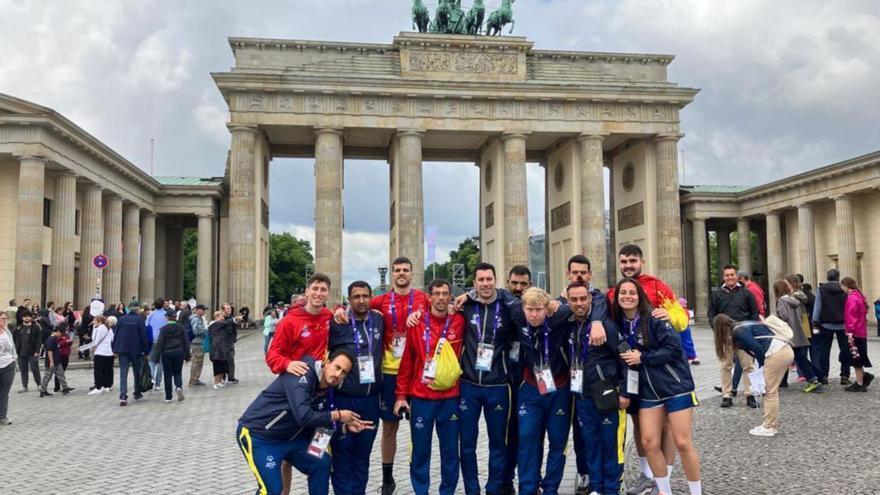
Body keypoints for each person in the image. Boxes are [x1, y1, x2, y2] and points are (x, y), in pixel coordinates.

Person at [334, 256, 429, 495]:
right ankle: (388, 478)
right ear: (392, 274)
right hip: (388, 373)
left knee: (421, 426)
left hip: (418, 371)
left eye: (405, 270)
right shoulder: (382, 300)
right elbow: (356, 305)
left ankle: (418, 473)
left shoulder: (423, 299)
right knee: (389, 427)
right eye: (397, 270)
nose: (401, 273)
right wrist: (338, 309)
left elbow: (444, 306)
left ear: (412, 273)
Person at [607, 244, 690, 495]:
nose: (628, 265)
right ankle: (646, 476)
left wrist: (670, 314)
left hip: (659, 368)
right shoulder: (614, 293)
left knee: (664, 426)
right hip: (631, 370)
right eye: (624, 262)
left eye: (632, 260)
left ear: (641, 261)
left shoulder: (657, 286)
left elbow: (682, 319)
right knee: (639, 425)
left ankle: (663, 479)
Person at [236, 351, 373, 495]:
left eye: (344, 372)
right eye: (337, 367)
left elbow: (323, 425)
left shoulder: (329, 390)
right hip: (259, 436)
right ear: (326, 362)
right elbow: (304, 417)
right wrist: (338, 415)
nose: (338, 374)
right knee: (273, 489)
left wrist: (344, 428)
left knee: (321, 463)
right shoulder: (302, 374)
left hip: (290, 439)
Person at [393, 279, 465, 495]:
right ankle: (420, 490)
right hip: (422, 398)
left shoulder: (460, 321)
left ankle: (447, 491)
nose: (441, 298)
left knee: (451, 451)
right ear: (430, 297)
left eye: (445, 294)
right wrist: (400, 395)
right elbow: (407, 361)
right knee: (420, 451)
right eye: (437, 294)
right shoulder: (416, 323)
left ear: (450, 296)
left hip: (450, 397)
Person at [455, 263, 517, 495]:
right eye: (480, 280)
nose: (485, 284)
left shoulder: (508, 306)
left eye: (489, 279)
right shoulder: (466, 306)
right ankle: (472, 489)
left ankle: (493, 488)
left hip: (499, 385)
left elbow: (524, 305)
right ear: (474, 283)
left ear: (495, 280)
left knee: (498, 442)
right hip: (469, 385)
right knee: (467, 444)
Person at [508, 287, 573, 495]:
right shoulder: (517, 315)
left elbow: (586, 302)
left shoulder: (559, 315)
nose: (534, 314)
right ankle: (528, 487)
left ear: (547, 309)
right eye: (530, 309)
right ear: (523, 309)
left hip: (559, 389)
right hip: (531, 388)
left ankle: (550, 488)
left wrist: (558, 302)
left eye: (539, 310)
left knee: (557, 441)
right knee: (527, 438)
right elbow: (500, 293)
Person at [568, 280, 628, 495]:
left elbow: (626, 358)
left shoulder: (606, 327)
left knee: (609, 447)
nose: (579, 303)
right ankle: (596, 487)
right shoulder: (569, 324)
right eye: (574, 300)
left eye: (583, 299)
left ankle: (611, 489)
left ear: (590, 299)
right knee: (590, 446)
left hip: (607, 396)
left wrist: (626, 391)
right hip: (582, 396)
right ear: (568, 301)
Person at [328, 281, 385, 495]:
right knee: (342, 454)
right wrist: (337, 310)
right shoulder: (338, 323)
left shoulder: (379, 319)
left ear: (371, 297)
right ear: (348, 299)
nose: (361, 300)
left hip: (371, 400)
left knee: (363, 454)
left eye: (365, 296)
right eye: (356, 296)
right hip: (344, 399)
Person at [712, 314, 793, 438]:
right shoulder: (743, 324)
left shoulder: (738, 331)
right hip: (785, 350)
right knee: (772, 390)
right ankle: (770, 424)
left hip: (775, 353)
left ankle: (769, 426)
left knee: (770, 391)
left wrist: (761, 367)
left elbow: (756, 347)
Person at [708, 264, 759, 409]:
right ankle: (726, 395)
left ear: (737, 276)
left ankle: (750, 394)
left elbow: (754, 312)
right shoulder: (717, 294)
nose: (730, 277)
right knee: (726, 365)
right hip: (725, 336)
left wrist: (750, 329)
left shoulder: (746, 293)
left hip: (744, 335)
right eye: (727, 275)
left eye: (732, 274)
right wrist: (717, 330)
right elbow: (711, 315)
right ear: (724, 277)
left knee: (748, 366)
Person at [267, 274, 334, 375]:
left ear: (328, 294)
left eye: (323, 290)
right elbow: (272, 354)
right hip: (299, 378)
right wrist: (287, 364)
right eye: (315, 289)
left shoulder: (328, 315)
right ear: (307, 292)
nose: (319, 293)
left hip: (322, 380)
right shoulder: (289, 321)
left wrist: (339, 309)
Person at [503, 264, 531, 494]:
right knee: (508, 436)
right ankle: (506, 481)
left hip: (530, 382)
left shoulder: (537, 308)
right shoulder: (502, 303)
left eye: (523, 284)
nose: (518, 288)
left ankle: (530, 482)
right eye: (514, 283)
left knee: (530, 436)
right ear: (507, 283)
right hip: (506, 382)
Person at [773, 279, 822, 393]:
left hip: (788, 334)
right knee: (799, 357)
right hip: (798, 332)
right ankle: (818, 376)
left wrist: (775, 317)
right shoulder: (794, 300)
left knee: (796, 358)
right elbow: (800, 316)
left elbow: (784, 316)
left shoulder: (781, 301)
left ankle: (813, 379)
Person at [812, 268, 852, 385]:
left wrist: (815, 321)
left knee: (824, 351)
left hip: (826, 324)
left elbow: (817, 308)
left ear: (827, 277)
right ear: (838, 278)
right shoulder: (843, 289)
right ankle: (844, 375)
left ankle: (824, 375)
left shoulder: (821, 290)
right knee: (845, 350)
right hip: (843, 324)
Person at [149, 309, 191, 403]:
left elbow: (160, 344)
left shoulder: (163, 329)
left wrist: (156, 358)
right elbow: (186, 342)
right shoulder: (181, 327)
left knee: (167, 374)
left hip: (167, 353)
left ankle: (168, 396)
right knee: (178, 372)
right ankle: (179, 386)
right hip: (179, 352)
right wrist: (187, 355)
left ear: (167, 318)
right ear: (175, 317)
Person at [113, 302, 150, 406]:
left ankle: (123, 395)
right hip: (136, 350)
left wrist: (114, 349)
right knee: (136, 371)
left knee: (123, 373)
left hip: (122, 349)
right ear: (138, 310)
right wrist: (146, 351)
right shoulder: (139, 320)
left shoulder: (122, 319)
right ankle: (137, 392)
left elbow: (116, 334)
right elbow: (144, 336)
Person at [841, 277, 873, 391]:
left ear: (846, 286)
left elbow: (851, 317)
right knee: (857, 357)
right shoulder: (860, 296)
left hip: (855, 333)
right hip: (861, 332)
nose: (841, 288)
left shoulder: (851, 298)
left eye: (842, 286)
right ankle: (864, 377)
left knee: (856, 359)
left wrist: (849, 333)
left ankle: (860, 383)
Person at [79, 314, 115, 395]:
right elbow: (112, 339)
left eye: (94, 320)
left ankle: (98, 387)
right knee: (105, 370)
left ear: (99, 321)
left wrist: (82, 348)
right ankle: (106, 386)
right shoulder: (109, 328)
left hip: (100, 352)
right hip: (108, 352)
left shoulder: (99, 329)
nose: (93, 321)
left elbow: (94, 342)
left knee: (98, 371)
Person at [39, 324, 75, 397]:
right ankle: (43, 390)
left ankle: (65, 388)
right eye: (61, 333)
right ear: (58, 331)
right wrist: (51, 361)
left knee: (61, 374)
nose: (61, 335)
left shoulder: (54, 338)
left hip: (57, 360)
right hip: (51, 361)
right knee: (48, 376)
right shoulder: (51, 339)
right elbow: (49, 350)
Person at [12, 309, 42, 393]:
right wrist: (14, 351)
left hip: (32, 352)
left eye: (28, 316)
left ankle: (39, 384)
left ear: (31, 317)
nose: (26, 318)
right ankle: (25, 386)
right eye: (25, 316)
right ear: (22, 318)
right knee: (23, 370)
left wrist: (37, 351)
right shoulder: (18, 328)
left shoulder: (35, 327)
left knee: (34, 368)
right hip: (21, 352)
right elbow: (14, 340)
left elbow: (39, 340)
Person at [209, 310, 234, 389]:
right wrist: (234, 319)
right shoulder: (214, 324)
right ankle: (215, 382)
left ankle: (219, 381)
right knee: (217, 366)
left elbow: (229, 332)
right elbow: (226, 323)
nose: (223, 318)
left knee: (222, 366)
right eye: (221, 316)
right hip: (216, 349)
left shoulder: (222, 324)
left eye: (224, 316)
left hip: (222, 349)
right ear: (216, 317)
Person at [146, 298, 167, 390]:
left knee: (151, 361)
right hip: (163, 340)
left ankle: (151, 379)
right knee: (162, 362)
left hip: (152, 340)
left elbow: (146, 326)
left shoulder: (151, 314)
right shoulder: (166, 315)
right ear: (163, 305)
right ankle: (158, 384)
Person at [0, 312, 16, 425]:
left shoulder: (7, 332)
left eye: (5, 318)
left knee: (4, 392)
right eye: (2, 318)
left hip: (8, 364)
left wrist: (14, 358)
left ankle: (2, 416)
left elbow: (12, 347)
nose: (4, 320)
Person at [188, 305, 209, 387]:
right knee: (197, 362)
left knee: (197, 362)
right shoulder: (196, 319)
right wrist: (206, 330)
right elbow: (196, 330)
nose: (204, 311)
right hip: (197, 342)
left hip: (198, 342)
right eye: (203, 310)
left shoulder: (196, 318)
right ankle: (193, 380)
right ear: (197, 310)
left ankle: (195, 379)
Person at [221, 303, 241, 384]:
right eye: (228, 309)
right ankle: (224, 377)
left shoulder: (231, 317)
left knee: (230, 359)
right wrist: (234, 319)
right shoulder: (221, 317)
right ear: (223, 310)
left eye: (230, 308)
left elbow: (233, 327)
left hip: (230, 341)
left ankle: (230, 376)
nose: (230, 310)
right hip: (223, 342)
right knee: (224, 360)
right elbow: (225, 323)